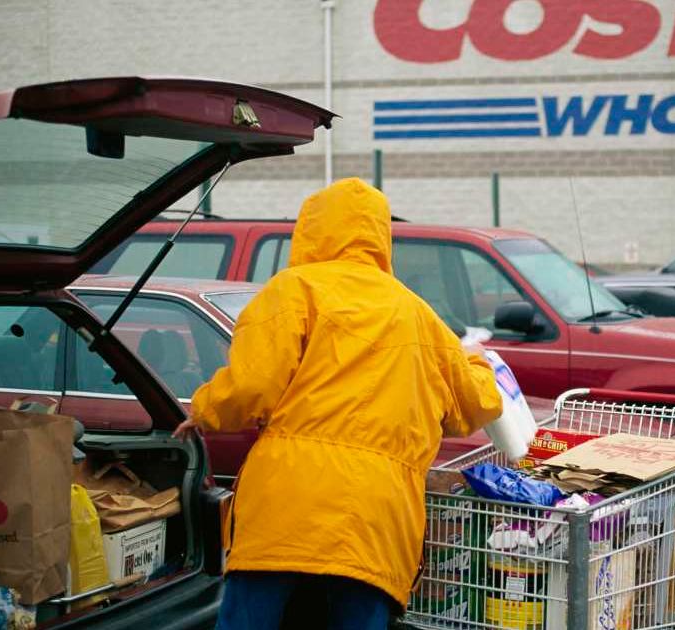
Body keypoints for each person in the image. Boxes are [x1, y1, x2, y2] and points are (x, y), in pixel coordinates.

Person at [171, 178, 503, 629]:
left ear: (311, 230)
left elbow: (251, 387)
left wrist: (204, 410)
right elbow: (473, 407)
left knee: (250, 618)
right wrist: (479, 363)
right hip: (378, 511)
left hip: (289, 498)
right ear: (381, 237)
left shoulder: (293, 290)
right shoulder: (417, 313)